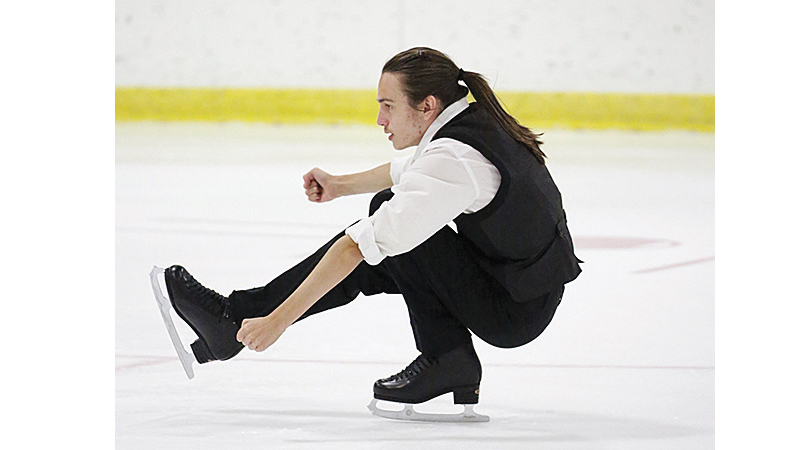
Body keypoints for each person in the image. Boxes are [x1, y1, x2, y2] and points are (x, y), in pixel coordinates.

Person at [159, 47, 582, 421]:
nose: (380, 119)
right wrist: (340, 184)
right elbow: (409, 172)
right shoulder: (466, 126)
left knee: (384, 228)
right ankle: (229, 322)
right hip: (518, 288)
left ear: (426, 106)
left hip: (513, 308)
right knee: (389, 227)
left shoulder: (454, 159)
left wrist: (277, 322)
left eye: (387, 106)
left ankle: (446, 358)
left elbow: (355, 246)